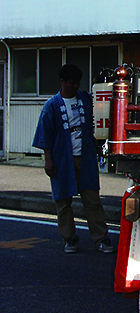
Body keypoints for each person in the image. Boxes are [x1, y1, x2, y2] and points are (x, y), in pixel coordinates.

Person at [33, 64, 113, 254]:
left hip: (85, 158)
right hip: (62, 159)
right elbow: (46, 135)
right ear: (62, 82)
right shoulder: (51, 106)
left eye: (77, 83)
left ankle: (101, 238)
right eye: (71, 83)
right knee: (63, 201)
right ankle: (69, 238)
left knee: (92, 200)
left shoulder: (86, 100)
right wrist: (48, 160)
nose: (75, 86)